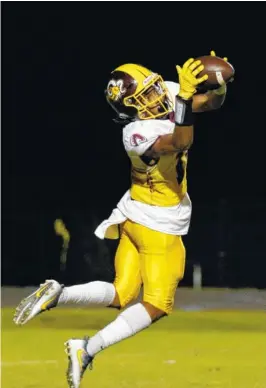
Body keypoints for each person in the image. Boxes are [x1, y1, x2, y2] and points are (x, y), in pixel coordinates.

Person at [13, 51, 231, 388]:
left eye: (154, 88)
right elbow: (181, 139)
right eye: (147, 96)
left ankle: (59, 293)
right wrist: (185, 99)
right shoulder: (137, 134)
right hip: (159, 224)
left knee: (122, 294)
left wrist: (219, 85)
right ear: (132, 108)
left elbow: (210, 104)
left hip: (133, 213)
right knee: (157, 304)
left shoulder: (161, 96)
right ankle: (86, 348)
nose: (159, 95)